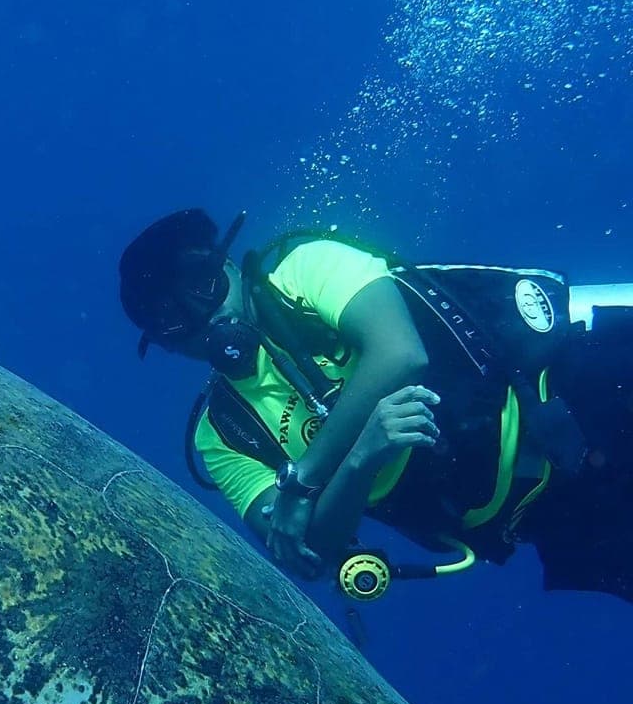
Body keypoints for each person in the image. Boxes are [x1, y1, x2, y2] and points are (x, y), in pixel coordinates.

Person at [117, 208, 633, 603]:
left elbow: (400, 354)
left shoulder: (305, 270)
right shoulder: (224, 434)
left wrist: (304, 479)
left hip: (588, 397)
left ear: (229, 262)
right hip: (552, 516)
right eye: (172, 320)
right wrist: (362, 457)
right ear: (162, 344)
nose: (204, 318)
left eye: (204, 286)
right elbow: (310, 553)